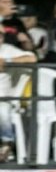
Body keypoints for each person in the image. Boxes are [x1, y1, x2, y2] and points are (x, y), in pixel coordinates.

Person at [0, 24, 37, 162]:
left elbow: (32, 58)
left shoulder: (7, 50)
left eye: (1, 35)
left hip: (3, 97)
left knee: (2, 109)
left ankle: (6, 145)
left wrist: (7, 61)